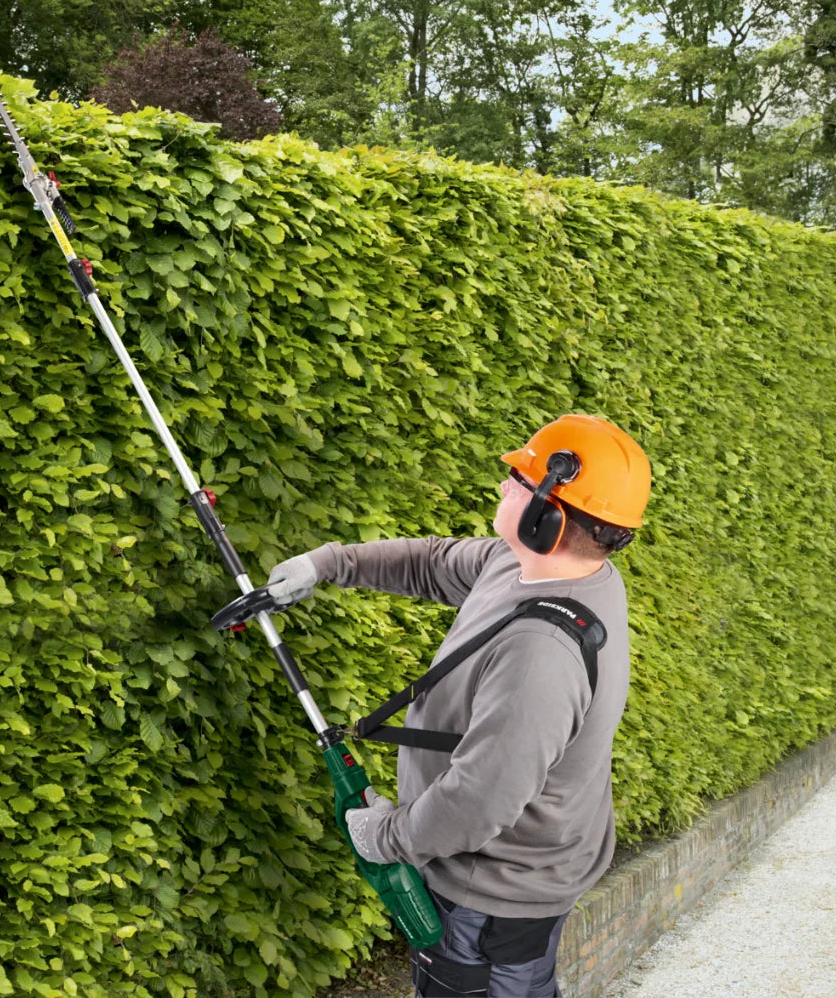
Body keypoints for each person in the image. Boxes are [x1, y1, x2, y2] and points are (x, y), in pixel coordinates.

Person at [265, 414, 651, 998]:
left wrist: (388, 838)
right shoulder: (529, 567)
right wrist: (326, 565)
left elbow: (480, 800)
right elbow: (432, 561)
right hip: (493, 881)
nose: (504, 486)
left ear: (548, 515)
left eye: (519, 481)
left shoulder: (540, 652)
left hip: (491, 899)